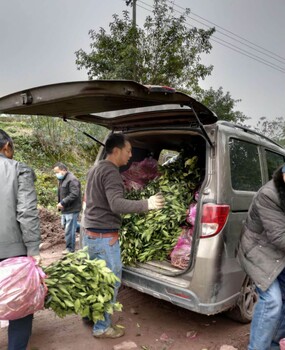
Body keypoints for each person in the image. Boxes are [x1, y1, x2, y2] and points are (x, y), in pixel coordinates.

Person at [83, 133, 165, 339]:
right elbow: (116, 204)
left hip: (90, 234)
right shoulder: (111, 172)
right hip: (104, 238)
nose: (131, 156)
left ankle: (90, 316)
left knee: (95, 279)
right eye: (128, 151)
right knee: (110, 282)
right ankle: (102, 327)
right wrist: (148, 204)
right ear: (117, 150)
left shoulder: (96, 168)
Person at [0, 129, 41, 350]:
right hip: (12, 251)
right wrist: (34, 249)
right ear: (7, 146)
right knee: (20, 304)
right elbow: (26, 212)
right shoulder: (18, 170)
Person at [237, 163, 285, 350]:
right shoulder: (268, 194)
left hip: (280, 254)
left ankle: (273, 345)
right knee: (272, 301)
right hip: (258, 251)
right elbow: (279, 237)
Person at [53, 162, 82, 254]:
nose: (56, 174)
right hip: (65, 208)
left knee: (69, 229)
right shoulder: (63, 179)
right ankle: (86, 230)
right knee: (67, 225)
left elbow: (74, 194)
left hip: (72, 208)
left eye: (57, 172)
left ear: (63, 170)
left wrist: (63, 202)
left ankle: (70, 249)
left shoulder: (72, 179)